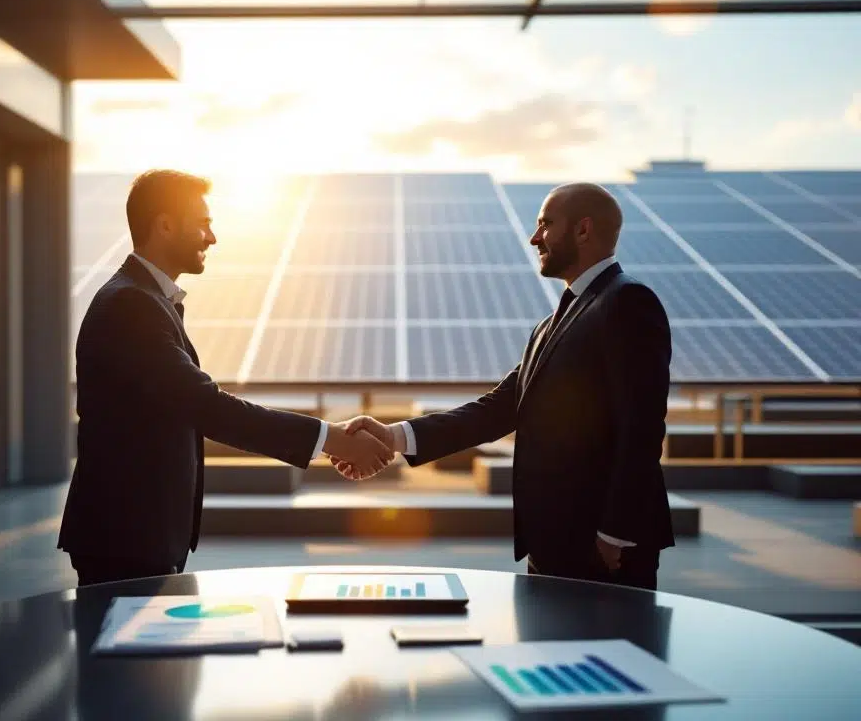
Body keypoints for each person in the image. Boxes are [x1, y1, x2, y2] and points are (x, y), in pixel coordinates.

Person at [58, 169, 391, 586]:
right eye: (203, 224)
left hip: (137, 534)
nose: (211, 238)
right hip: (125, 536)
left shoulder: (142, 299)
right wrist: (332, 438)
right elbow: (208, 407)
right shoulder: (131, 304)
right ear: (164, 225)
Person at [337, 183, 674, 590]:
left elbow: (641, 428)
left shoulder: (628, 302)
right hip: (555, 542)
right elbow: (498, 409)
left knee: (610, 653)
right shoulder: (550, 326)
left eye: (545, 225)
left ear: (583, 230)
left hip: (603, 550)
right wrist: (393, 436)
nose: (535, 238)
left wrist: (614, 535)